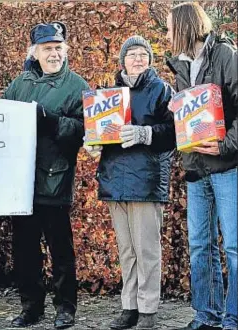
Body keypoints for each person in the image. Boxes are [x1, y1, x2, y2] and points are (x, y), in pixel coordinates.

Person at [84, 36, 175, 330]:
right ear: (122, 60)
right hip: (115, 180)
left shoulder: (161, 89)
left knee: (146, 248)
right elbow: (101, 132)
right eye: (132, 54)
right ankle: (129, 306)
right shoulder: (108, 94)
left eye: (143, 54)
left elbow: (174, 132)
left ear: (150, 59)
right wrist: (94, 143)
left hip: (146, 180)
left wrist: (145, 133)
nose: (138, 59)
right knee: (126, 249)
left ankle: (148, 308)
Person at [3, 22, 89, 329]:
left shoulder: (76, 84)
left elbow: (83, 130)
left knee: (60, 250)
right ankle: (31, 307)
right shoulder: (19, 83)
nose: (53, 54)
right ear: (35, 53)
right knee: (25, 252)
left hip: (55, 176)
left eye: (57, 48)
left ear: (65, 50)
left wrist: (50, 120)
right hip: (21, 182)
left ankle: (66, 308)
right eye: (47, 49)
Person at [165, 3, 237, 330]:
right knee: (200, 246)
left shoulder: (225, 56)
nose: (167, 36)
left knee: (234, 246)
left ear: (183, 27)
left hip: (226, 166)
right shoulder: (179, 66)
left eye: (169, 29)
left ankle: (233, 318)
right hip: (195, 169)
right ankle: (207, 316)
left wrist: (224, 145)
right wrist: (176, 109)